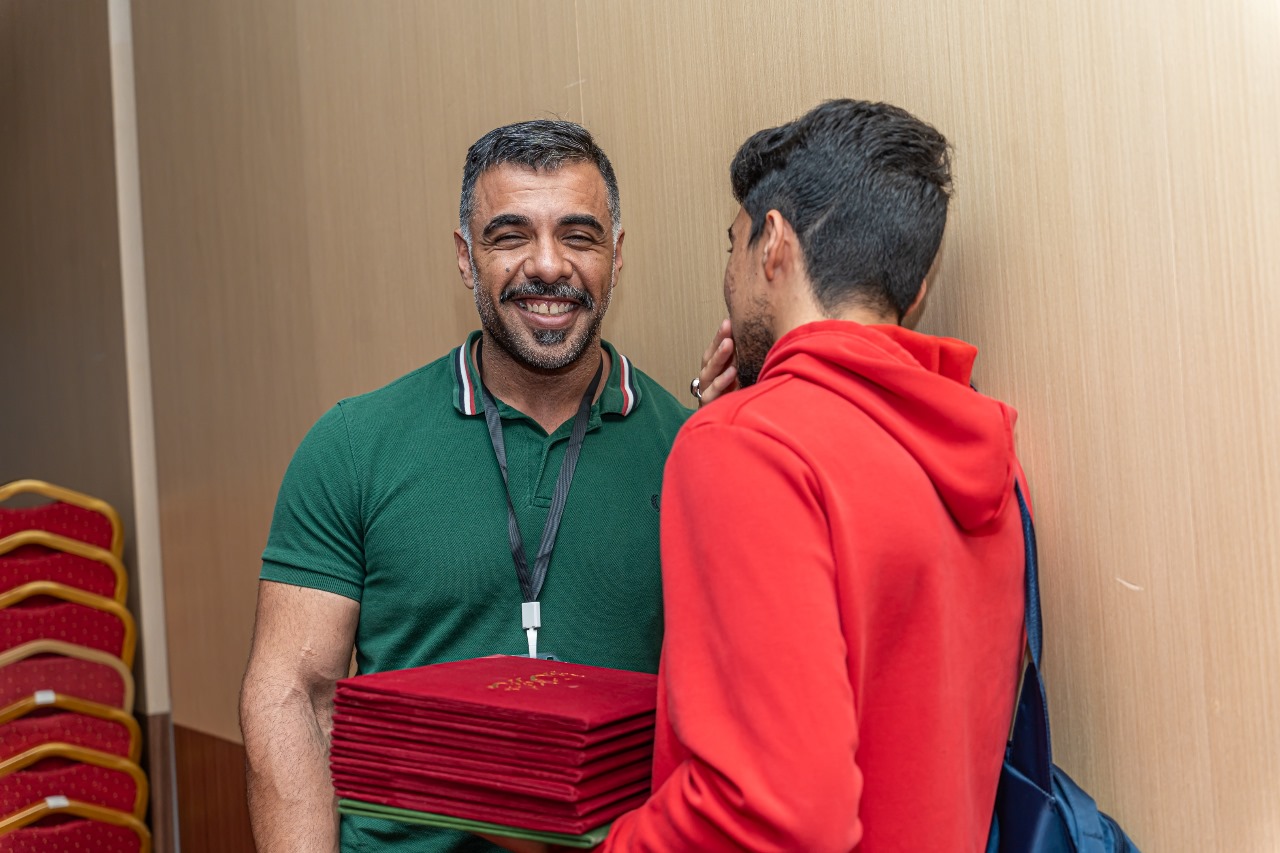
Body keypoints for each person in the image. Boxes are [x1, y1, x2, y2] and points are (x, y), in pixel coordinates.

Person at [490, 99, 1028, 853]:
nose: (729, 277)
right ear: (911, 289)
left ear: (773, 243)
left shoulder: (748, 446)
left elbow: (776, 812)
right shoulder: (980, 453)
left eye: (732, 245)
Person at [239, 120, 696, 853]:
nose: (547, 265)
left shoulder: (694, 453)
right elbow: (294, 694)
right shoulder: (354, 445)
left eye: (578, 237)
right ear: (465, 256)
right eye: (510, 236)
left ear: (616, 255)